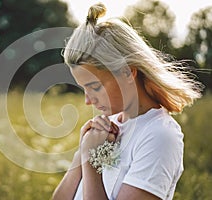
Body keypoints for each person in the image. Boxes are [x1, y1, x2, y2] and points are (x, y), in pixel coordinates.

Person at [52, 2, 203, 200]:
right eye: (84, 89)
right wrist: (81, 154)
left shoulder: (159, 136)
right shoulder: (106, 129)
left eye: (95, 87)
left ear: (127, 72)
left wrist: (91, 162)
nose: (88, 100)